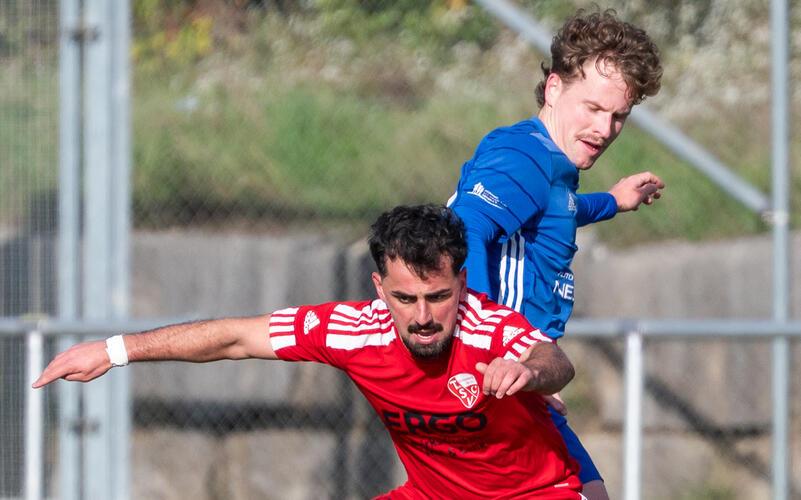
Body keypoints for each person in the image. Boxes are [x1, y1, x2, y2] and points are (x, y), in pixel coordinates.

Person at [35, 204, 586, 499]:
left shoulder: (489, 328)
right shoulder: (352, 331)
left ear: (462, 284)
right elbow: (235, 337)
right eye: (405, 298)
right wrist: (115, 350)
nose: (422, 316)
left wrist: (528, 370)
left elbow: (555, 361)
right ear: (378, 288)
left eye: (438, 297)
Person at [448, 8, 665, 500]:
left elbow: (552, 212)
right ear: (553, 90)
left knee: (591, 490)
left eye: (618, 117)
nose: (605, 129)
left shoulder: (552, 163)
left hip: (516, 378)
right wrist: (493, 351)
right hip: (495, 379)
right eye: (592, 108)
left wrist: (612, 202)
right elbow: (466, 226)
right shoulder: (524, 156)